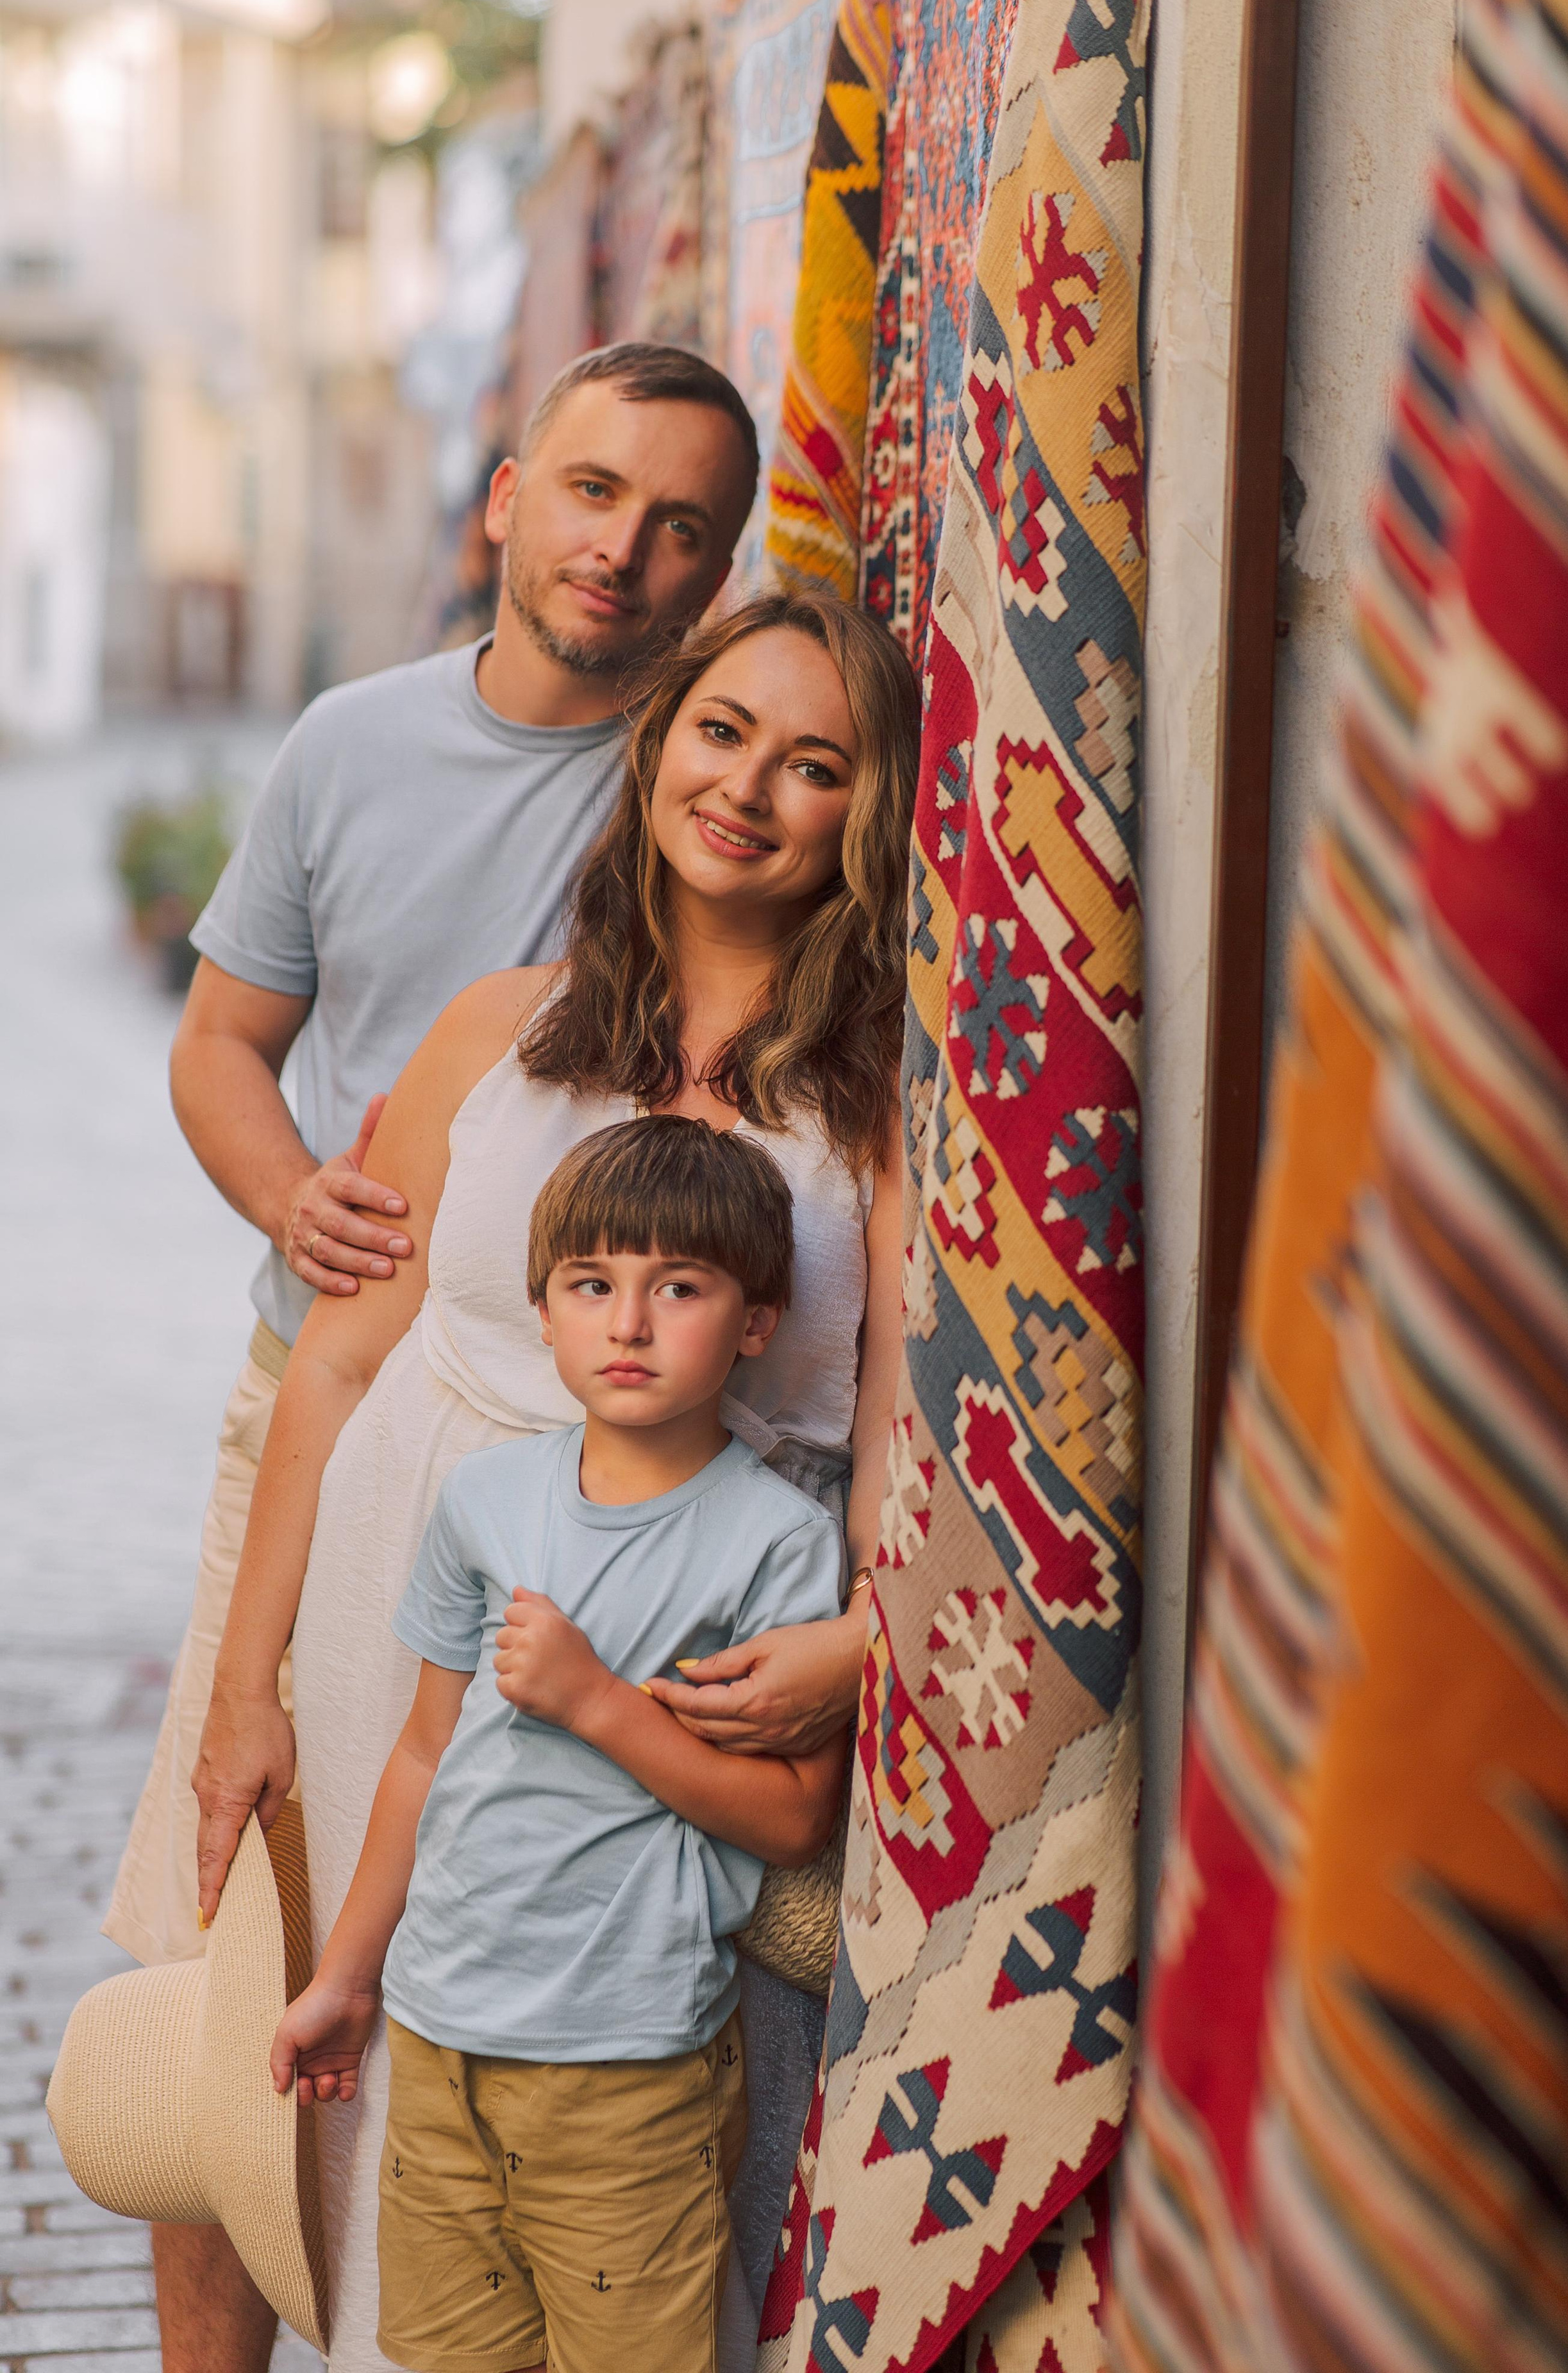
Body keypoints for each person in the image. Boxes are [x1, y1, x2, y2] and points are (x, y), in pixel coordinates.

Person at [104, 340, 762, 2373]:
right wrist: (290, 1191)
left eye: (680, 527)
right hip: (323, 1384)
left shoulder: (709, 776)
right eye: (593, 491)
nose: (622, 550)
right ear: (506, 496)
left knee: (498, 1966)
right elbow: (224, 1040)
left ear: (721, 568)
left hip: (574, 1451)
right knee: (237, 1938)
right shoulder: (349, 747)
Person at [192, 589, 920, 2370]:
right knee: (393, 2121)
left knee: (650, 2165)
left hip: (687, 1655)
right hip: (400, 1624)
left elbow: (906, 1452)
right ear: (659, 747)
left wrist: (864, 1644)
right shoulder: (500, 1028)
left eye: (813, 763)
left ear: (867, 815)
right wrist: (241, 1688)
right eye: (720, 731)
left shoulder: (882, 1104)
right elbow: (334, 1366)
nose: (745, 785)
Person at [271, 1117, 852, 2373]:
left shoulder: (777, 1543)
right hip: (441, 2043)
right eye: (592, 1285)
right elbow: (424, 1756)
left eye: (679, 1288)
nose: (628, 1324)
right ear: (542, 1312)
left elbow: (796, 1818)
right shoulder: (484, 1503)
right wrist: (347, 1979)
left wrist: (597, 1703)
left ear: (756, 1320)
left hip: (630, 2068)